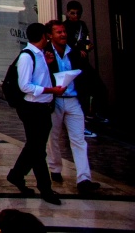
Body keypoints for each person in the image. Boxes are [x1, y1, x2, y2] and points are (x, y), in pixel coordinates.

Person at [7, 22, 64, 205]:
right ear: (43, 36)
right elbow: (25, 86)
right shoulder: (27, 56)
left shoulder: (39, 55)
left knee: (34, 147)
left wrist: (46, 65)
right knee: (38, 150)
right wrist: (51, 91)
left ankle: (16, 175)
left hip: (42, 108)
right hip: (32, 109)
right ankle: (45, 188)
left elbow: (38, 77)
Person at [44, 18, 99, 193]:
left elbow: (85, 76)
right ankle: (55, 168)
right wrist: (48, 63)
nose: (63, 35)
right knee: (53, 137)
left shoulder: (74, 53)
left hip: (73, 100)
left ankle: (84, 178)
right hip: (55, 99)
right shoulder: (45, 54)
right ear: (50, 35)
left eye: (64, 32)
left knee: (78, 139)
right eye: (59, 32)